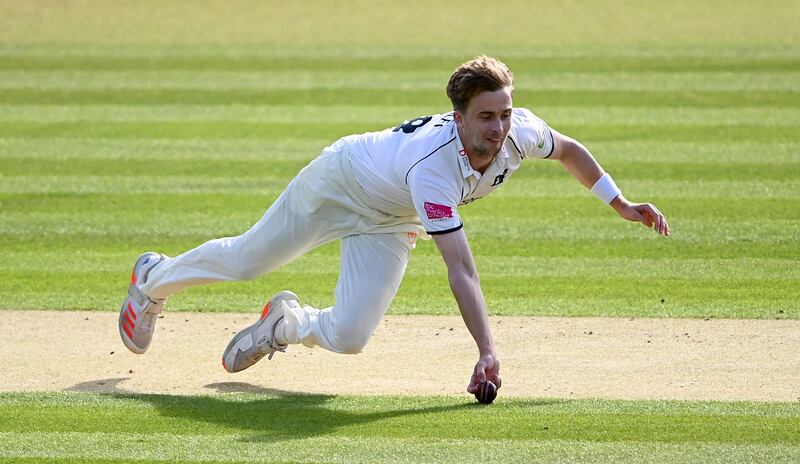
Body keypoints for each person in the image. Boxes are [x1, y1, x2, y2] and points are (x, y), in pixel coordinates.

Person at [118, 55, 670, 396]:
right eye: (485, 116)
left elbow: (570, 150)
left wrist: (617, 202)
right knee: (246, 261)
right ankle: (152, 280)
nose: (499, 127)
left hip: (392, 217)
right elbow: (462, 270)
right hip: (340, 183)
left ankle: (283, 323)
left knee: (350, 336)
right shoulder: (435, 168)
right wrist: (486, 350)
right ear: (458, 117)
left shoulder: (520, 130)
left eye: (504, 114)